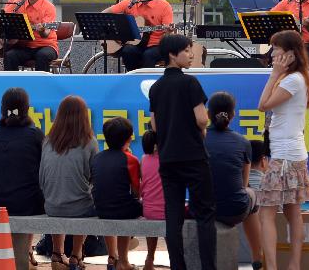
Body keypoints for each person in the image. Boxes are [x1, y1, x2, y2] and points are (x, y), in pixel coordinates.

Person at [148, 34, 215, 270]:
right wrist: (201, 128)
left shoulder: (156, 88)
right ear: (172, 55)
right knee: (205, 215)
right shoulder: (190, 83)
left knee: (173, 217)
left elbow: (155, 126)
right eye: (186, 51)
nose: (191, 54)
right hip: (194, 158)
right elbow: (202, 118)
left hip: (168, 159)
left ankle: (178, 266)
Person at [257, 30, 309, 270]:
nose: (272, 55)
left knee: (266, 212)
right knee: (293, 211)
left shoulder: (291, 80)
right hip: (292, 152)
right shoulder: (297, 78)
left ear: (290, 55)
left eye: (277, 51)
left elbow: (263, 105)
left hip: (284, 155)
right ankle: (293, 265)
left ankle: (273, 266)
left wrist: (273, 75)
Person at [0, 88, 44, 266]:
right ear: (27, 108)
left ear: (3, 108)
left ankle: (26, 251)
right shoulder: (36, 135)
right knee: (31, 190)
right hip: (29, 204)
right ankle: (27, 250)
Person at [39, 96, 98, 270]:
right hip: (81, 208)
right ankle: (76, 254)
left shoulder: (48, 141)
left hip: (51, 206)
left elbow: (42, 178)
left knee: (63, 193)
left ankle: (57, 253)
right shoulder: (89, 142)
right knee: (87, 198)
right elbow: (95, 178)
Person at [205, 92, 262, 270]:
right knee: (252, 195)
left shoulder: (199, 140)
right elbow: (243, 185)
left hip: (204, 209)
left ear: (208, 114)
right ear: (233, 114)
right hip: (234, 209)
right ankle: (257, 258)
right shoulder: (243, 142)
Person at [90, 117, 141, 270]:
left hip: (100, 209)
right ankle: (123, 261)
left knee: (113, 205)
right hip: (123, 210)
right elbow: (137, 192)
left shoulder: (97, 158)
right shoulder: (130, 159)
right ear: (128, 138)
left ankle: (113, 257)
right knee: (129, 207)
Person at [103, 0, 174, 71]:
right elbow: (104, 14)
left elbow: (168, 34)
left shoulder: (164, 6)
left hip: (156, 46)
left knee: (148, 55)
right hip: (135, 44)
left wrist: (168, 31)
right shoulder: (129, 3)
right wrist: (114, 31)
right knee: (127, 50)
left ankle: (146, 82)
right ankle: (133, 79)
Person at [3, 0, 59, 72]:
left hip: (46, 45)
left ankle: (40, 86)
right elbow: (6, 19)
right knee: (9, 55)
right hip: (25, 45)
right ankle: (14, 86)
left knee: (42, 55)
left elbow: (45, 34)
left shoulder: (49, 7)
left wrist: (41, 30)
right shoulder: (19, 4)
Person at [140, 130, 164, 270]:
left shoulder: (144, 159)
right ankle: (175, 258)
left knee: (153, 218)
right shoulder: (169, 159)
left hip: (148, 211)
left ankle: (149, 259)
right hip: (168, 212)